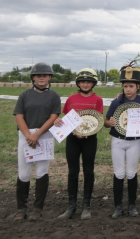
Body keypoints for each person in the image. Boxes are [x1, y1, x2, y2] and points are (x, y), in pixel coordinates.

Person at [13, 62, 61, 221]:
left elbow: (53, 116)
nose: (42, 78)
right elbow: (19, 116)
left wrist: (37, 134)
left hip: (45, 136)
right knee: (24, 172)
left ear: (49, 78)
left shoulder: (54, 96)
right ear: (33, 77)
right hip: (26, 136)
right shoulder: (24, 95)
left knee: (42, 172)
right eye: (38, 75)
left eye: (45, 75)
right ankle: (21, 208)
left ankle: (37, 208)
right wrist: (28, 135)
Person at [56, 68, 104, 220]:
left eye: (88, 81)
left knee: (89, 171)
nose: (85, 84)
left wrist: (86, 133)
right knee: (72, 172)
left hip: (90, 140)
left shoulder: (98, 100)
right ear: (78, 83)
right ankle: (71, 207)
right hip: (72, 139)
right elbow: (66, 118)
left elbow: (98, 121)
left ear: (93, 83)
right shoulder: (71, 99)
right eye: (82, 81)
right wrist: (59, 121)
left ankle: (86, 206)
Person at [104, 63, 140, 218]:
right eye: (125, 86)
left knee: (131, 172)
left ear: (137, 87)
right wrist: (108, 123)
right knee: (118, 172)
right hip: (117, 140)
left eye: (131, 86)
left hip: (134, 141)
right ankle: (118, 206)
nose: (128, 89)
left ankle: (132, 205)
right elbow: (106, 121)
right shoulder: (116, 102)